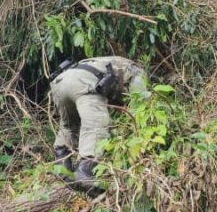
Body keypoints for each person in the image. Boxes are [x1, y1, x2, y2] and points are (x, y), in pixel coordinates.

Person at [50, 56, 148, 192]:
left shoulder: (106, 63)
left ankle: (63, 168)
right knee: (95, 125)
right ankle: (85, 172)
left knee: (69, 126)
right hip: (84, 83)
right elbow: (139, 105)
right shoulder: (137, 72)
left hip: (60, 82)